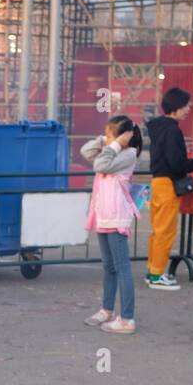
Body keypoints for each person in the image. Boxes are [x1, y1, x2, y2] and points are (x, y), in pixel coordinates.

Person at [145, 87, 193, 289]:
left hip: (158, 183)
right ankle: (157, 275)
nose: (188, 109)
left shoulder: (158, 128)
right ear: (176, 107)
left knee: (157, 231)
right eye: (186, 106)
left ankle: (153, 271)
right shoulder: (172, 130)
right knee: (165, 232)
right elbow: (178, 164)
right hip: (168, 185)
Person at [81, 115, 142, 335]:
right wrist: (104, 140)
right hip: (103, 216)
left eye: (109, 133)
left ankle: (127, 318)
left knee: (122, 267)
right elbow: (86, 152)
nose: (106, 138)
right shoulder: (113, 150)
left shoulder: (127, 154)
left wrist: (116, 143)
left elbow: (100, 164)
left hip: (116, 217)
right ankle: (107, 310)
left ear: (124, 137)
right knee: (109, 266)